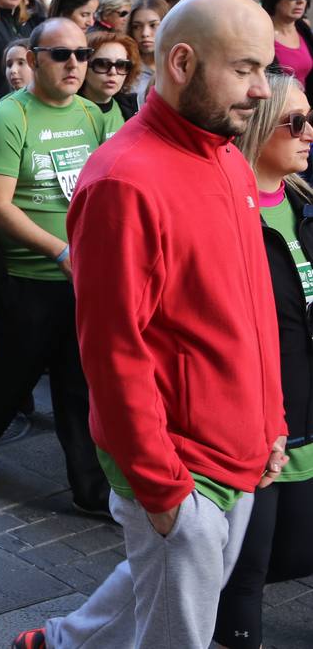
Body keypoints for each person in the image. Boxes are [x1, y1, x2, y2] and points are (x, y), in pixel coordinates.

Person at [15, 0, 287, 649]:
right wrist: (163, 490)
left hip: (240, 446)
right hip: (178, 462)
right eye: (246, 69)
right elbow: (112, 351)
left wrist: (271, 421)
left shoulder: (226, 154)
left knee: (167, 586)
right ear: (183, 63)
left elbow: (253, 307)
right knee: (179, 629)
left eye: (265, 70)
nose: (262, 91)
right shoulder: (122, 182)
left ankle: (61, 641)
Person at [0, 17, 111, 517]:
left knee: (78, 378)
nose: (75, 65)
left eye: (83, 55)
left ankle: (90, 489)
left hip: (81, 273)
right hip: (23, 274)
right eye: (61, 55)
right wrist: (60, 252)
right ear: (35, 58)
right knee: (14, 369)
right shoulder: (10, 117)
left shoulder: (91, 114)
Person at [215, 72, 313, 649]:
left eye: (310, 119)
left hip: (305, 407)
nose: (308, 134)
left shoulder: (304, 200)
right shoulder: (228, 212)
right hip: (256, 421)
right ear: (257, 126)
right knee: (243, 575)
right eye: (294, 122)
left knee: (292, 554)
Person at [79, 31, 140, 138]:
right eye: (102, 64)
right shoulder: (67, 108)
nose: (113, 72)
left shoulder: (133, 108)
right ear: (83, 66)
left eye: (121, 65)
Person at [260, 0, 313, 88]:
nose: (301, 0)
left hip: (304, 104)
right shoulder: (262, 34)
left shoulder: (303, 28)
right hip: (277, 104)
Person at [126, 0, 168, 103]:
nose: (145, 33)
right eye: (137, 27)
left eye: (153, 25)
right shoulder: (124, 67)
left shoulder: (176, 65)